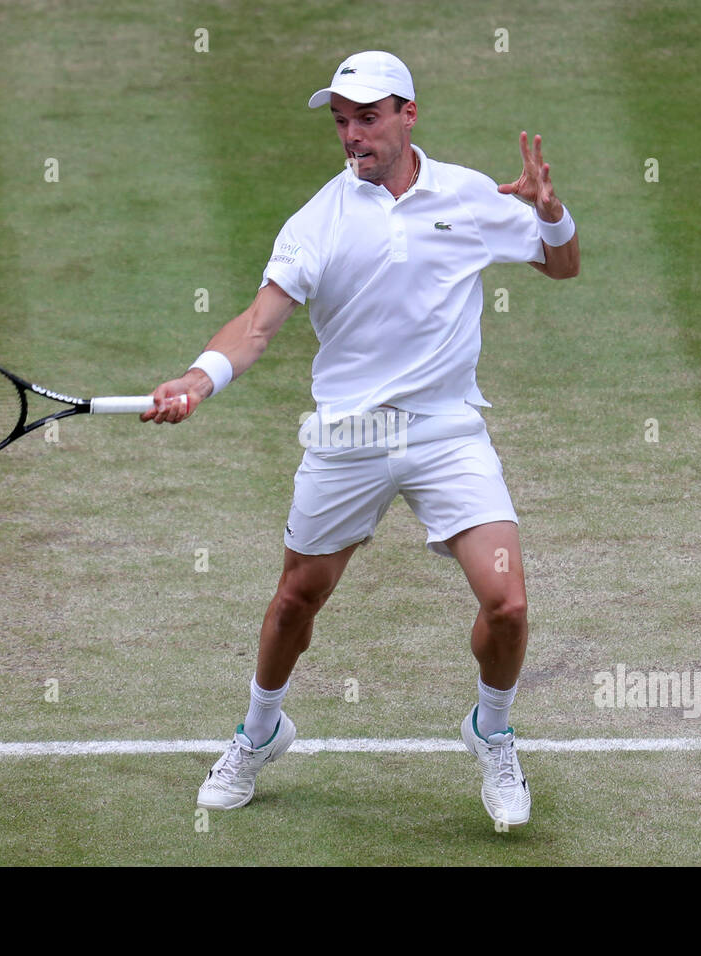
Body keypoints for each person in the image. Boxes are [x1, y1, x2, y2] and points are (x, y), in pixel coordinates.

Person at [142, 50, 578, 827]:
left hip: (447, 429)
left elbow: (563, 265)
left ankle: (493, 730)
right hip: (350, 433)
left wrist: (549, 211)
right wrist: (198, 380)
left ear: (409, 116)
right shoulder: (318, 221)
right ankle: (260, 731)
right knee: (294, 602)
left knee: (507, 604)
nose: (353, 135)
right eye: (342, 122)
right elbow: (257, 326)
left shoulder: (471, 196)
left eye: (368, 118)